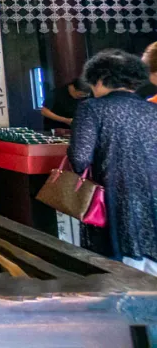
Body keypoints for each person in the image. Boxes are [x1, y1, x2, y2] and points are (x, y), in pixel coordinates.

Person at [68, 49, 157, 274]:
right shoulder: (151, 110)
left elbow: (80, 159)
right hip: (152, 202)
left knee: (117, 273)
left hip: (113, 204)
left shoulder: (92, 108)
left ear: (99, 79)